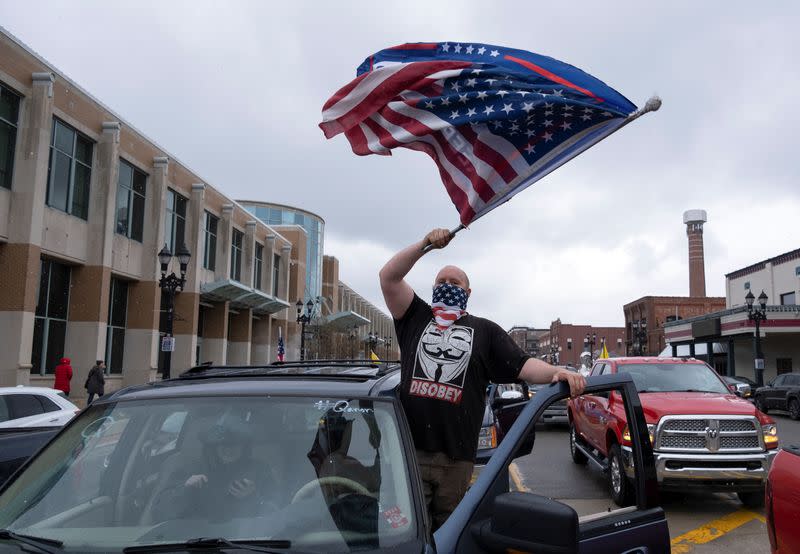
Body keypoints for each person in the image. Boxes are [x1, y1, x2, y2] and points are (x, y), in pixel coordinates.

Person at [379, 228, 586, 530]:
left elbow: (523, 365)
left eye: (455, 282)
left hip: (456, 461)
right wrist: (424, 245)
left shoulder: (485, 331)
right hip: (410, 454)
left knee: (447, 534)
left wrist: (557, 372)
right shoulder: (415, 317)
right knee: (408, 533)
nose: (447, 286)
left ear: (468, 292)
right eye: (441, 282)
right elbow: (388, 277)